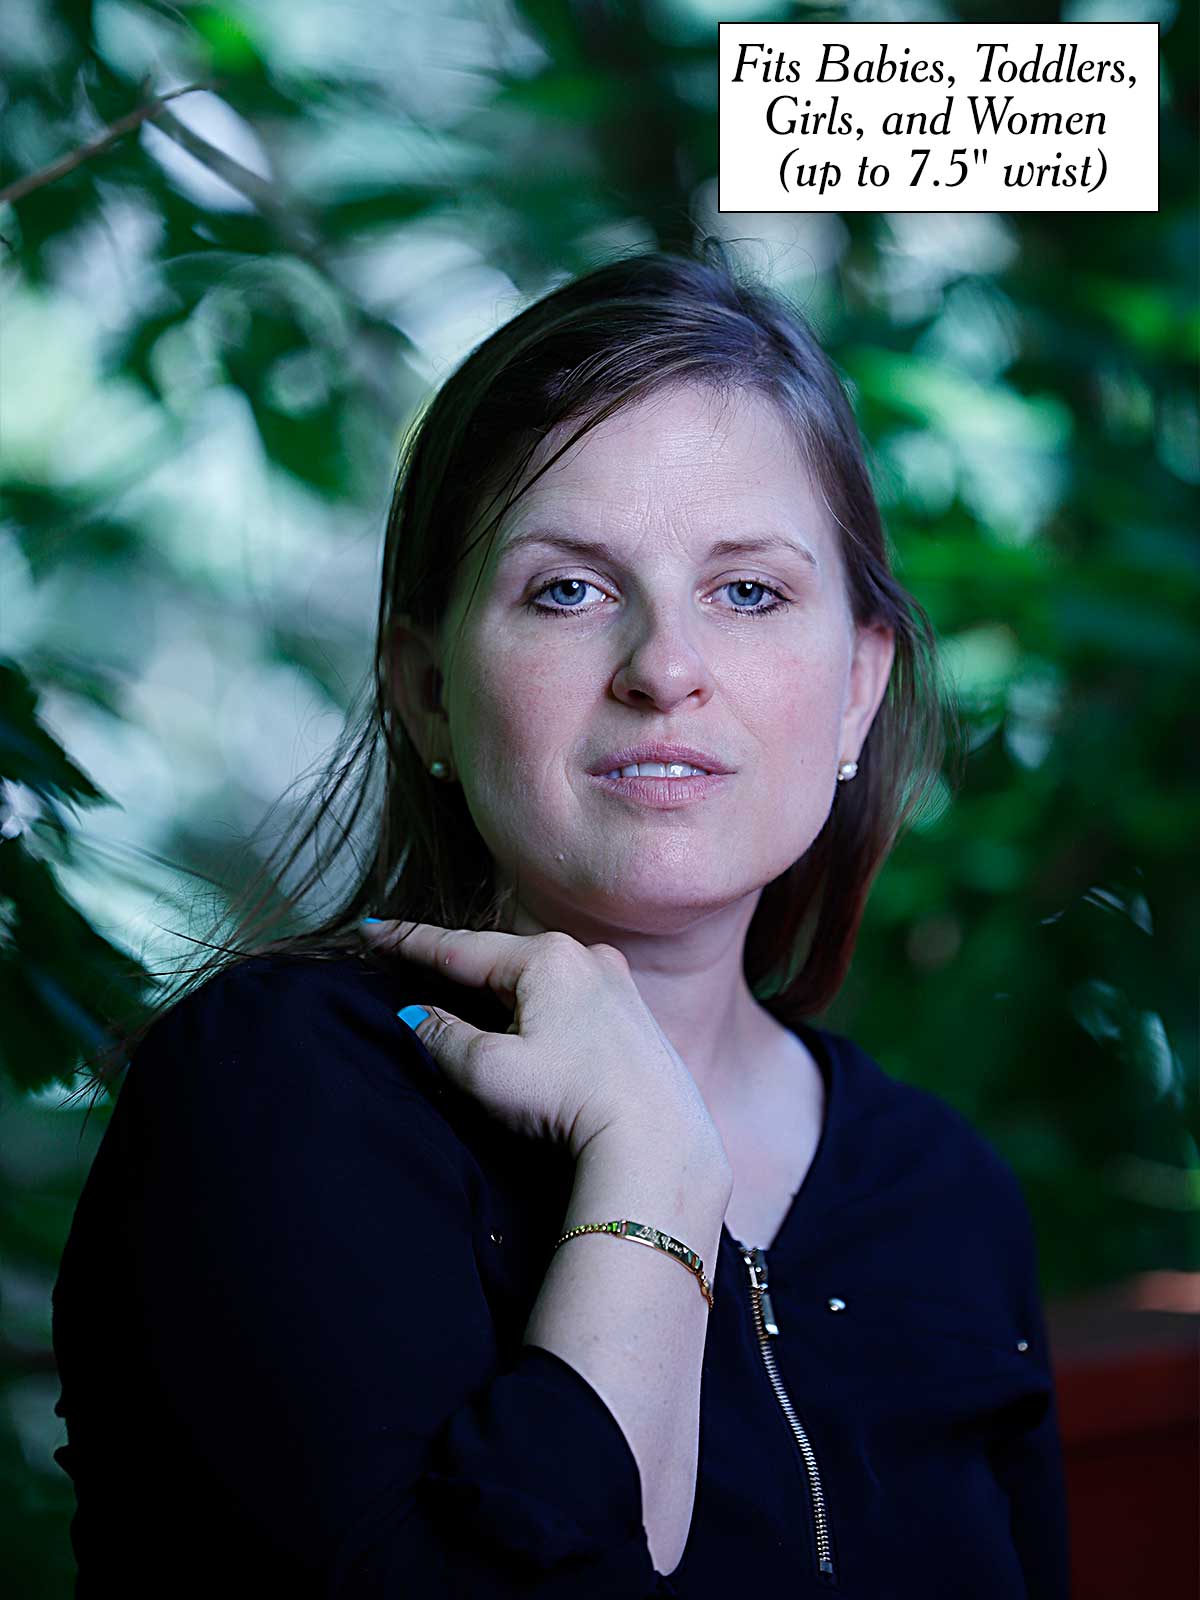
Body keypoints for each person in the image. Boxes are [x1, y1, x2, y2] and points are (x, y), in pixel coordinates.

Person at [51, 245, 1070, 1596]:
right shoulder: (275, 1088)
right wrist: (652, 1179)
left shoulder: (942, 1192)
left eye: (748, 590)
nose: (664, 670)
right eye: (567, 589)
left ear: (857, 691)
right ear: (423, 688)